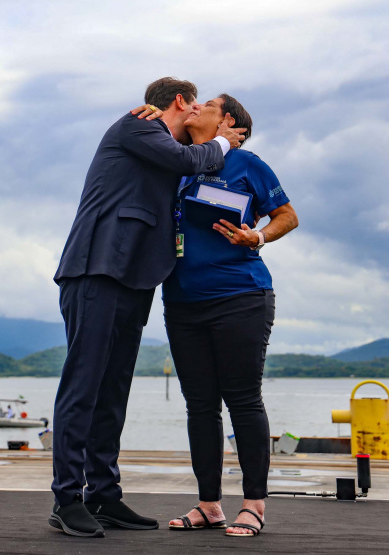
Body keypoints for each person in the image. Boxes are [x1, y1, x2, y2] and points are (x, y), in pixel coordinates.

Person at [49, 77, 245, 538]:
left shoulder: (162, 141)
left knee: (113, 392)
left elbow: (190, 172)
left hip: (136, 280)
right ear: (180, 101)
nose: (199, 108)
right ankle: (65, 500)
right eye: (195, 101)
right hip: (96, 270)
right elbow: (187, 158)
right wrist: (220, 139)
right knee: (83, 386)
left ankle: (104, 496)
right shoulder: (139, 127)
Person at [157, 95, 298, 537]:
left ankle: (254, 504)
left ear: (228, 119)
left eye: (210, 103)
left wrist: (256, 235)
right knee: (199, 406)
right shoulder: (178, 163)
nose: (196, 106)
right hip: (181, 301)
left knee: (242, 398)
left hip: (240, 295)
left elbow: (287, 216)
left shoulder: (247, 164)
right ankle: (209, 505)